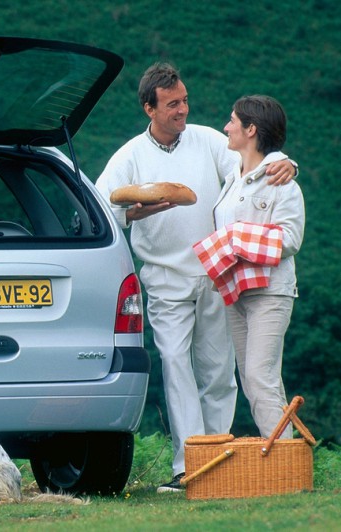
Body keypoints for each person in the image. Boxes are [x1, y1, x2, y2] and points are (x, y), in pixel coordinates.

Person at [94, 62, 297, 493]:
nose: (182, 110)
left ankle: (219, 460)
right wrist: (136, 211)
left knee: (219, 372)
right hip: (164, 278)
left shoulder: (207, 140)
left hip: (218, 273)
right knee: (175, 366)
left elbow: (254, 162)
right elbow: (103, 205)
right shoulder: (129, 155)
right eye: (172, 104)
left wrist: (286, 163)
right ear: (149, 108)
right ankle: (187, 466)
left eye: (184, 100)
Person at [211, 95, 304, 440]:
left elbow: (291, 238)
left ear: (251, 129)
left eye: (232, 121)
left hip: (270, 292)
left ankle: (283, 461)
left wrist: (235, 240)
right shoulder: (233, 176)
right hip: (237, 292)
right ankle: (283, 455)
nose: (226, 127)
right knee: (252, 378)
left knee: (261, 375)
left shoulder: (282, 181)